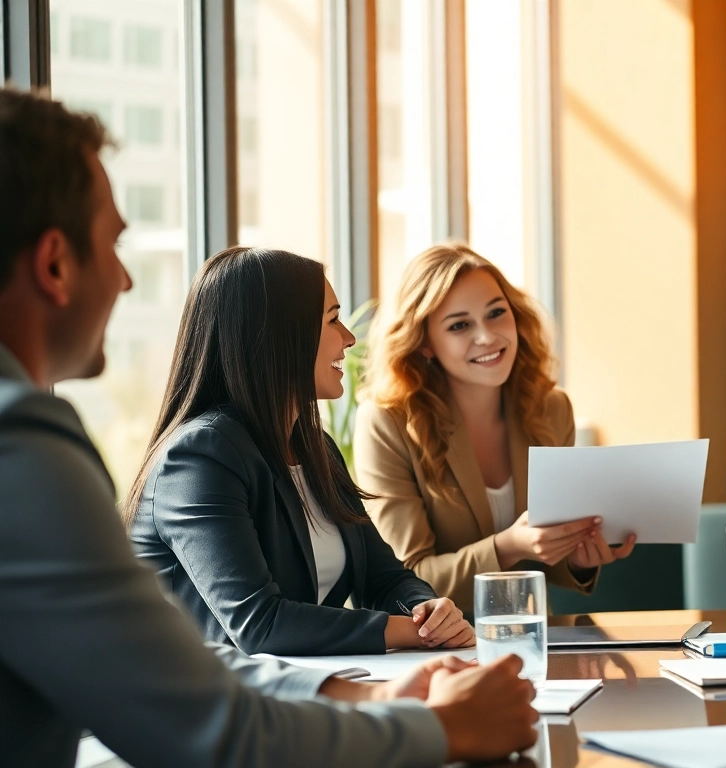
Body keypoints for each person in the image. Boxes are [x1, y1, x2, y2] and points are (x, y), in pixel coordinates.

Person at [0, 86, 536, 767]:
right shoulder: (35, 450)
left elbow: (202, 668)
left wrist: (381, 673)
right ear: (54, 263)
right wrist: (436, 723)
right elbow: (214, 688)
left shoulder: (309, 446)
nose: (128, 281)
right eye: (114, 244)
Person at [126, 246, 474, 656]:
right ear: (277, 335)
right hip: (204, 708)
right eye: (332, 320)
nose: (349, 338)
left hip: (299, 692)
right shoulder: (200, 457)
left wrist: (425, 612)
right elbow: (259, 624)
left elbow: (385, 578)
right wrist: (407, 632)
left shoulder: (315, 450)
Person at [356, 244, 635, 613]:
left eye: (496, 313)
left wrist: (578, 558)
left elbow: (548, 565)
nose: (487, 337)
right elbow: (407, 578)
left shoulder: (551, 409)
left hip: (536, 636)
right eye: (459, 325)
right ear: (424, 343)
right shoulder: (386, 421)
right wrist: (509, 546)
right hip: (436, 647)